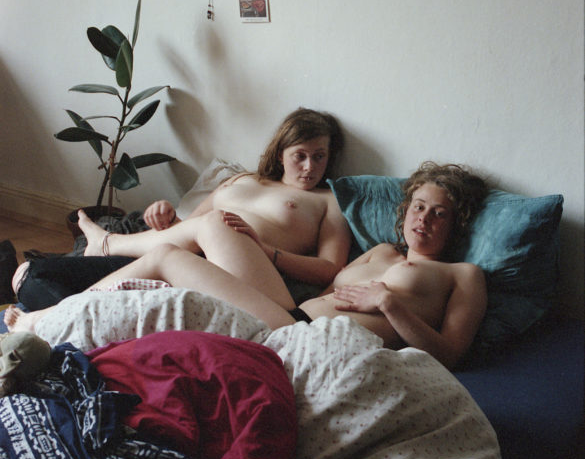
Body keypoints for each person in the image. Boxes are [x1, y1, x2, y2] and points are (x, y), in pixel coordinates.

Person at [5, 162, 489, 370]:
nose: (424, 219)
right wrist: (260, 248)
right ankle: (86, 273)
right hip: (288, 311)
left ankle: (44, 320)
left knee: (170, 261)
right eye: (419, 207)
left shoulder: (463, 276)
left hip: (300, 340)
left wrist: (387, 303)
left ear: (456, 225)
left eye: (439, 214)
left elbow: (450, 355)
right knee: (205, 232)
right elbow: (325, 282)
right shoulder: (380, 252)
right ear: (405, 211)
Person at [12, 108, 352, 311]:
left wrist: (268, 251)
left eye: (319, 156)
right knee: (29, 275)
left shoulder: (327, 199)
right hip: (185, 257)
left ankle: (108, 243)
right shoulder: (243, 179)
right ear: (281, 154)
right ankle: (65, 316)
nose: (309, 167)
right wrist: (166, 216)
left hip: (244, 274)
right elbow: (191, 224)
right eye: (300, 156)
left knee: (217, 222)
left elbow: (329, 269)